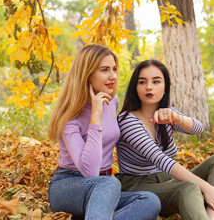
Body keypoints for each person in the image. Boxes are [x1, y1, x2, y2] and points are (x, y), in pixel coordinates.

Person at [47, 45, 161, 220]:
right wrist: (95, 117)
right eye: (105, 70)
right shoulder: (69, 117)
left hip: (104, 187)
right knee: (109, 184)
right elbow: (90, 171)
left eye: (114, 69)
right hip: (69, 186)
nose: (113, 76)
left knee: (149, 201)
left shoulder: (112, 101)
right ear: (87, 73)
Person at [115, 59, 214, 220]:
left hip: (166, 182)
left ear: (165, 88)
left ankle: (212, 217)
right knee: (189, 187)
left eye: (156, 81)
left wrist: (176, 118)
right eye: (142, 82)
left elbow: (198, 128)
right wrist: (206, 187)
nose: (149, 87)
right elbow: (160, 159)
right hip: (138, 187)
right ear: (135, 88)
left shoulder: (167, 113)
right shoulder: (127, 120)